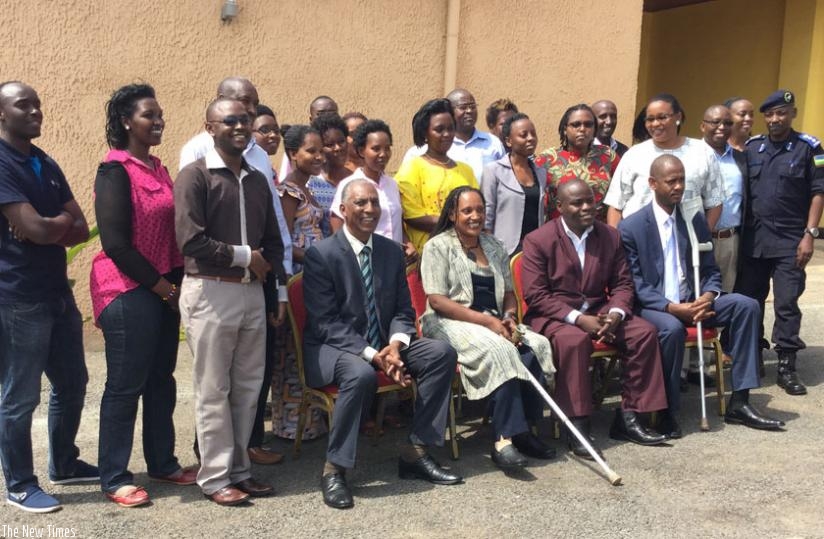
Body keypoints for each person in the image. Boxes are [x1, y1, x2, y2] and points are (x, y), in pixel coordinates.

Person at [303, 179, 462, 509]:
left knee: (440, 353)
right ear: (343, 210)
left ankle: (416, 452)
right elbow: (326, 323)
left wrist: (395, 345)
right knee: (360, 374)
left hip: (383, 345)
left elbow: (404, 309)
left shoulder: (390, 251)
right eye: (360, 203)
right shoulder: (321, 254)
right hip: (333, 348)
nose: (369, 209)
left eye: (374, 203)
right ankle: (335, 469)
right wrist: (377, 356)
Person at [618, 155, 785, 432]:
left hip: (694, 302)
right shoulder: (631, 227)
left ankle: (740, 402)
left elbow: (710, 270)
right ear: (653, 183)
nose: (679, 187)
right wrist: (672, 308)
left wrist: (708, 296)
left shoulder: (692, 220)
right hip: (655, 308)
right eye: (671, 181)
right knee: (671, 329)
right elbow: (635, 284)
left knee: (746, 305)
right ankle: (666, 411)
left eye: (682, 180)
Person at [175, 97, 287, 506]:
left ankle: (241, 471)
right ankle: (215, 476)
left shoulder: (258, 178)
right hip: (210, 291)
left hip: (251, 294)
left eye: (244, 120)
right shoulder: (195, 176)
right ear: (209, 127)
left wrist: (273, 283)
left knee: (247, 388)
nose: (239, 126)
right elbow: (189, 239)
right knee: (213, 388)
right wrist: (244, 256)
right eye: (229, 121)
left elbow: (274, 242)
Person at [90, 84, 196, 508]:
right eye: (149, 115)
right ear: (125, 122)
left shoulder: (157, 168)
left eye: (160, 114)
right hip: (128, 289)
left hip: (164, 290)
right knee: (124, 385)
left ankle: (163, 462)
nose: (158, 121)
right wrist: (164, 288)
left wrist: (176, 288)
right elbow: (116, 245)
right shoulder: (114, 171)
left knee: (161, 380)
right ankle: (114, 476)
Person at [0, 81, 94, 514]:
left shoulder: (44, 160)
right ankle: (19, 484)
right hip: (18, 296)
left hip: (56, 292)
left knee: (73, 382)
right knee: (20, 396)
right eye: (24, 105)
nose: (36, 111)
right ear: (2, 114)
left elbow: (78, 222)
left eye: (38, 103)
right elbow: (40, 229)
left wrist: (48, 224)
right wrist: (54, 225)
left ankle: (65, 463)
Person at [521, 179, 668, 455]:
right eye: (578, 203)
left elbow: (623, 283)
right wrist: (578, 319)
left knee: (643, 332)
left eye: (590, 200)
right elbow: (536, 295)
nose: (587, 207)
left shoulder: (609, 236)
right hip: (555, 315)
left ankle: (629, 416)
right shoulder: (538, 240)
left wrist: (615, 313)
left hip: (601, 310)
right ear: (560, 206)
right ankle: (578, 427)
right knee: (574, 342)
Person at [421, 186, 557, 470]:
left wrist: (508, 316)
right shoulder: (438, 246)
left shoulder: (494, 246)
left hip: (494, 318)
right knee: (500, 349)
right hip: (448, 322)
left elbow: (509, 292)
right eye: (467, 210)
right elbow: (437, 300)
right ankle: (503, 440)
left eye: (480, 210)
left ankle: (524, 431)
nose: (475, 216)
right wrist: (488, 322)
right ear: (452, 214)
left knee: (533, 347)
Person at [734, 90, 824, 396]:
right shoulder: (752, 147)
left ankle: (787, 364)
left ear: (793, 114)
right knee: (751, 302)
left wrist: (810, 235)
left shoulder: (809, 148)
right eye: (770, 114)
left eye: (782, 113)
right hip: (754, 241)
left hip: (790, 241)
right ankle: (754, 356)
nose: (775, 119)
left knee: (786, 304)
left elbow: (818, 192)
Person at [272, 125, 329, 442]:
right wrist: (315, 258)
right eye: (312, 151)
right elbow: (283, 242)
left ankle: (311, 419)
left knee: (306, 345)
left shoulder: (309, 188)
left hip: (313, 277)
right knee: (291, 350)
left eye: (321, 150)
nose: (319, 156)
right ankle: (292, 424)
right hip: (297, 277)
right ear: (293, 154)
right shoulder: (288, 192)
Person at [605, 93, 725, 230]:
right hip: (638, 239)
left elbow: (715, 202)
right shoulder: (634, 154)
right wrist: (617, 242)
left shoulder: (702, 152)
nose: (656, 124)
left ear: (678, 117)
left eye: (662, 117)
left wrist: (701, 238)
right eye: (650, 119)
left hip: (686, 238)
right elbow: (616, 205)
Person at [396, 98, 478, 253]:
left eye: (451, 128)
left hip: (465, 253)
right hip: (428, 255)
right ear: (425, 133)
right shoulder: (412, 168)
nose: (447, 134)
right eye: (439, 129)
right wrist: (459, 223)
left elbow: (477, 209)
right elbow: (412, 216)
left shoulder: (466, 170)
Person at [330, 119, 416, 261]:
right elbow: (337, 225)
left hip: (394, 261)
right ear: (361, 151)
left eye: (387, 148)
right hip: (363, 261)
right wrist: (347, 258)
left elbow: (396, 223)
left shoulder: (392, 185)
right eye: (376, 149)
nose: (383, 154)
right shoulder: (349, 184)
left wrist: (408, 244)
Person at [535, 104, 620, 222]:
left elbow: (619, 197)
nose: (582, 129)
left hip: (599, 232)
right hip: (558, 232)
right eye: (576, 125)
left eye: (588, 125)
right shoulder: (547, 159)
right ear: (565, 129)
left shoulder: (608, 156)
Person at [402, 89, 505, 181]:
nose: (469, 111)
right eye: (463, 107)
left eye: (472, 107)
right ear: (449, 111)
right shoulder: (418, 152)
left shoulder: (493, 142)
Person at [480, 113, 546, 255]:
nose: (531, 139)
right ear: (509, 141)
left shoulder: (540, 172)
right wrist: (490, 252)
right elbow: (487, 215)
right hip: (503, 251)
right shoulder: (493, 171)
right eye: (524, 135)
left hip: (535, 250)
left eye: (533, 134)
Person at [699, 105, 747, 293]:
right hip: (701, 238)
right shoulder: (692, 155)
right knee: (698, 294)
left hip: (731, 240)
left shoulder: (740, 158)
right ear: (703, 126)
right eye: (715, 122)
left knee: (726, 294)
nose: (721, 127)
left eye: (727, 123)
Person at [278, 95, 340, 180]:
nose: (327, 118)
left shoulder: (342, 147)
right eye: (321, 114)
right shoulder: (298, 146)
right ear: (311, 119)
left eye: (332, 114)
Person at [310, 114, 351, 235]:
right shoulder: (311, 184)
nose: (337, 148)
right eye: (330, 145)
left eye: (341, 142)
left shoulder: (356, 180)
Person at [251, 104, 281, 181]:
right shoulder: (249, 171)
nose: (273, 135)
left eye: (276, 130)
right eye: (264, 130)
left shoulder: (269, 170)